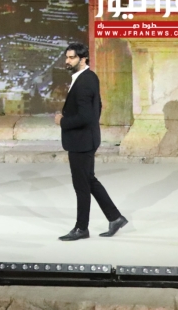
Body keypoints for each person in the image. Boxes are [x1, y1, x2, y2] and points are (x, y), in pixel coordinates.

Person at [55, 42, 128, 240]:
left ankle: (81, 228)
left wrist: (63, 121)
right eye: (67, 57)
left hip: (81, 141)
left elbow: (86, 116)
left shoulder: (85, 80)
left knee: (82, 185)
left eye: (71, 57)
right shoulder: (87, 77)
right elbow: (97, 108)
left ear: (83, 58)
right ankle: (115, 218)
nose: (67, 61)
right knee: (89, 180)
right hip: (86, 138)